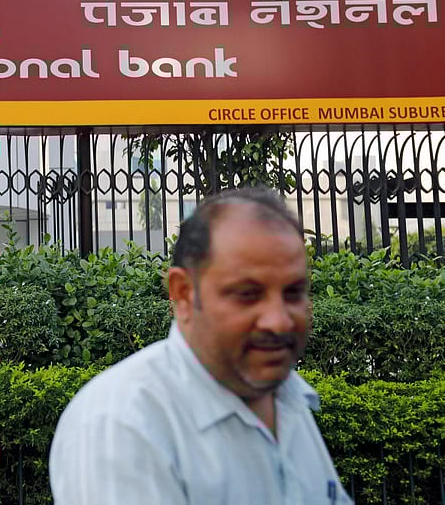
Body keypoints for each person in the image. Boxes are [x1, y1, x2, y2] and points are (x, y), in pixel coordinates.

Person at [48, 187, 353, 505]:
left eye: (293, 293)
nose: (278, 322)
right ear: (182, 293)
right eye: (247, 294)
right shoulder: (123, 426)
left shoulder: (289, 398)